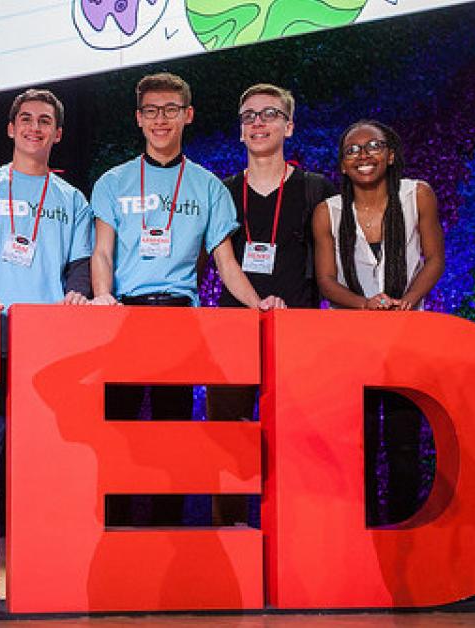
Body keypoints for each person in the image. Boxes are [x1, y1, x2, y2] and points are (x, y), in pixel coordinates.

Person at [89, 72, 283, 525]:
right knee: (117, 429)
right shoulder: (113, 182)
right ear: (139, 118)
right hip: (124, 316)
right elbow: (102, 252)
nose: (161, 119)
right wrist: (101, 298)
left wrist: (258, 304)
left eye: (171, 110)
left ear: (188, 115)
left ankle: (166, 531)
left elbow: (226, 264)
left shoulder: (208, 186)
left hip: (180, 320)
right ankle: (113, 530)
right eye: (152, 110)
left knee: (172, 432)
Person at [0, 88, 92, 600]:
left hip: (47, 348)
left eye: (45, 121)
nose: (34, 127)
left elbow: (79, 265)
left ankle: (44, 564)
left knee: (46, 465)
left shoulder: (71, 199)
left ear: (58, 133)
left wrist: (76, 292)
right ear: (11, 128)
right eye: (25, 119)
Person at [208, 83, 337, 524]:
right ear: (240, 131)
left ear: (289, 126)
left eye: (269, 114)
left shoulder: (316, 189)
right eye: (249, 116)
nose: (258, 123)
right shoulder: (221, 192)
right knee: (229, 443)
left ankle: (298, 531)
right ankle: (230, 533)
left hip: (298, 333)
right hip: (233, 332)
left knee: (298, 440)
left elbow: (332, 265)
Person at [312, 119, 445, 525]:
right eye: (352, 150)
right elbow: (326, 281)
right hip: (352, 343)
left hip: (407, 338)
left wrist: (407, 301)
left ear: (390, 155)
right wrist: (364, 305)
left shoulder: (417, 195)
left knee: (404, 441)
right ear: (342, 164)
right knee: (360, 442)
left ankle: (403, 531)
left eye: (373, 146)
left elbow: (434, 259)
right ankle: (363, 530)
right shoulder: (328, 213)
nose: (363, 155)